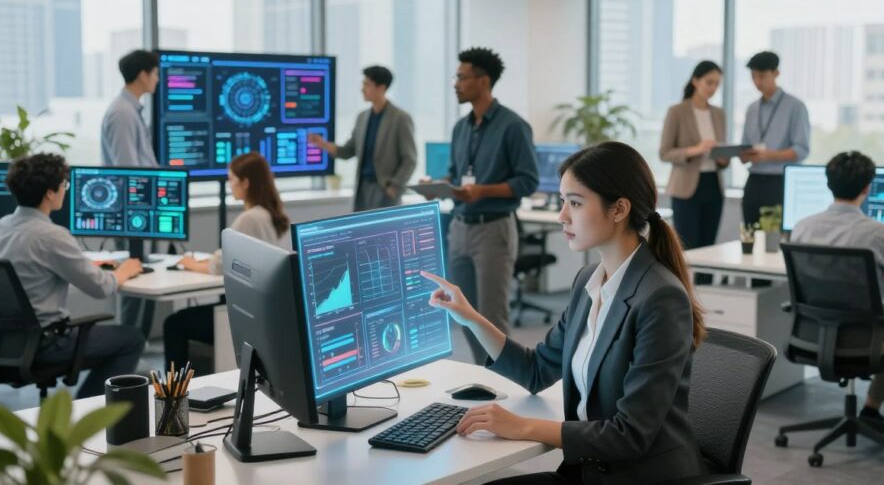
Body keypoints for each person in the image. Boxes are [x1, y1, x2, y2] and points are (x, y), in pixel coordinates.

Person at [422, 141, 707, 484]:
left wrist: (522, 427)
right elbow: (537, 369)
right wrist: (470, 316)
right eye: (562, 202)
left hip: (637, 477)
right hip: (589, 470)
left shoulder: (660, 298)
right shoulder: (589, 281)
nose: (562, 216)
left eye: (575, 202)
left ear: (619, 210)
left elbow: (630, 435)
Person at [791, 151, 884, 422]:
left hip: (812, 336)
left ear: (828, 183)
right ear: (868, 187)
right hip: (865, 341)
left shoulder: (802, 228)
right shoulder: (877, 233)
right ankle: (872, 405)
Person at [0, 154, 144, 398]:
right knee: (131, 339)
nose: (65, 190)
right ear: (50, 193)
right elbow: (100, 287)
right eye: (63, 185)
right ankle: (85, 412)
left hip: (1, 345)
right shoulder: (52, 236)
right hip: (45, 345)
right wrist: (124, 271)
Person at [445, 47, 538, 363]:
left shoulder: (513, 126)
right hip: (459, 227)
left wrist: (482, 191)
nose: (455, 83)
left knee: (492, 316)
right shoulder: (461, 128)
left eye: (461, 77)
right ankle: (482, 373)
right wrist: (442, 186)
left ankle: (503, 385)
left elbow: (528, 181)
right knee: (463, 314)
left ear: (483, 81)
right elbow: (456, 174)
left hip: (494, 229)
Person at [162, 152, 290, 369]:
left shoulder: (249, 219)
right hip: (267, 314)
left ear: (246, 182)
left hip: (246, 317)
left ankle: (174, 394)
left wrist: (191, 264)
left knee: (174, 324)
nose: (229, 185)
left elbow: (220, 264)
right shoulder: (273, 215)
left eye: (231, 179)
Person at [101, 49, 161, 339]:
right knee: (133, 280)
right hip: (130, 211)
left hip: (140, 210)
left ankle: (134, 347)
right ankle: (128, 352)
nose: (158, 80)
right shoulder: (122, 114)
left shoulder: (131, 110)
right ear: (143, 74)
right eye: (156, 73)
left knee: (141, 280)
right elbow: (128, 172)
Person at [308, 65, 417, 212]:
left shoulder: (400, 118)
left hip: (385, 189)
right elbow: (348, 151)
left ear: (381, 88)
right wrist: (322, 144)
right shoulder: (362, 117)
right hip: (362, 189)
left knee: (384, 232)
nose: (362, 89)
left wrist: (395, 187)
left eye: (367, 84)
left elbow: (410, 159)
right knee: (362, 233)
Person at [659, 61, 728, 262]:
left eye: (717, 84)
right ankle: (685, 292)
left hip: (713, 184)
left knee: (709, 247)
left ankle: (704, 292)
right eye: (709, 82)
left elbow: (720, 153)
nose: (713, 88)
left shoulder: (718, 113)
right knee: (687, 249)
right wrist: (695, 150)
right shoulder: (677, 112)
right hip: (686, 188)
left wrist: (723, 156)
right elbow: (664, 152)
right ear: (695, 81)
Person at [738, 51, 811, 227]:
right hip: (753, 180)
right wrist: (743, 154)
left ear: (776, 73)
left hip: (780, 182)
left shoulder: (795, 107)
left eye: (762, 76)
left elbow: (801, 150)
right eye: (754, 76)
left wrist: (767, 156)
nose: (757, 82)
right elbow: (744, 146)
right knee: (750, 235)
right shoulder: (751, 109)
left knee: (775, 238)